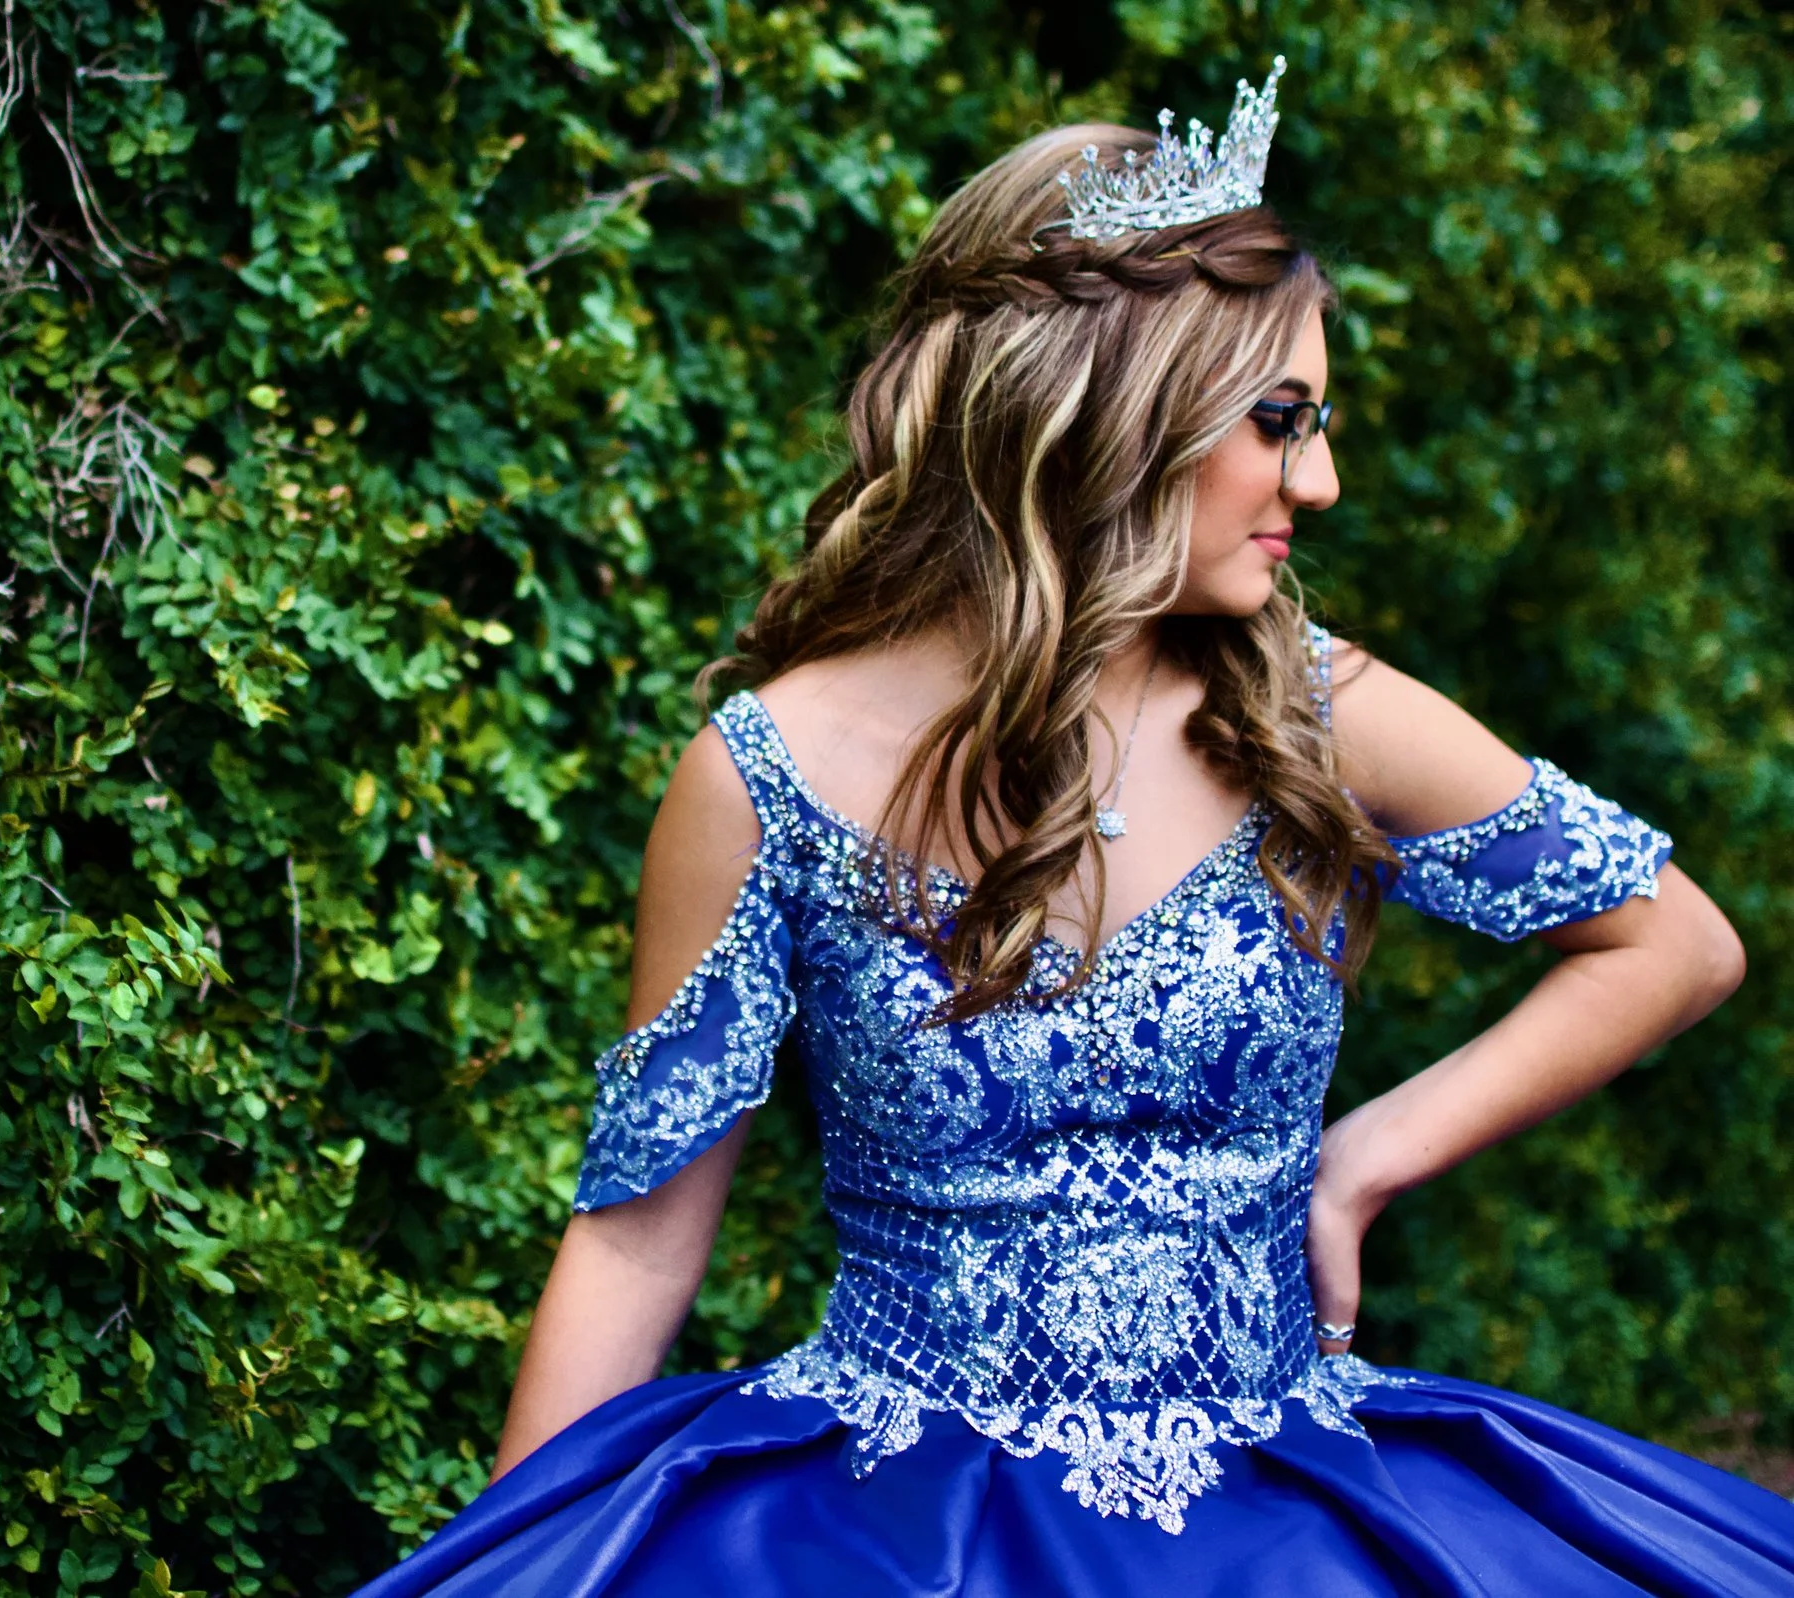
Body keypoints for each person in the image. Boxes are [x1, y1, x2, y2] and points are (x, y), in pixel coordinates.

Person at [356, 63, 1794, 1596]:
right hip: (881, 1532)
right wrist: (512, 1566)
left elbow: (1675, 939)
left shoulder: (1316, 711)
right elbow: (639, 1242)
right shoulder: (761, 774)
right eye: (1281, 418)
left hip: (1283, 1518)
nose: (1320, 476)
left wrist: (1356, 1165)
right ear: (1119, 406)